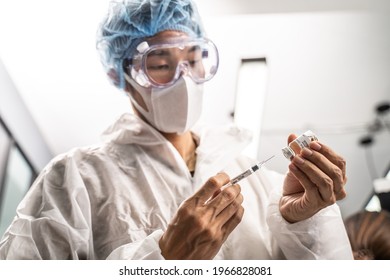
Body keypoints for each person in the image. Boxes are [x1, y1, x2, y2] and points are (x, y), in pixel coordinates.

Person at [0, 0, 353, 260]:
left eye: (194, 59)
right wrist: (161, 260)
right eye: (160, 64)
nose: (183, 79)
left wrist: (303, 222)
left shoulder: (262, 184)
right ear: (120, 76)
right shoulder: (76, 178)